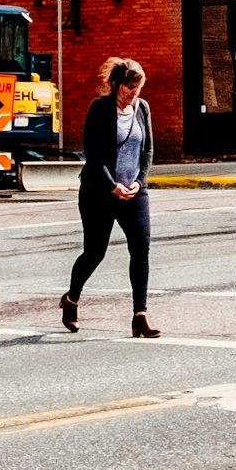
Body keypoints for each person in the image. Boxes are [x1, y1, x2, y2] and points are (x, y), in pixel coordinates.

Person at [65, 56, 159, 335]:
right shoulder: (100, 108)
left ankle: (139, 315)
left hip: (133, 192)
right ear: (117, 85)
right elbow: (92, 152)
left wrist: (139, 182)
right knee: (95, 253)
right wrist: (111, 185)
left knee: (141, 248)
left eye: (139, 88)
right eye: (131, 88)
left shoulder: (142, 108)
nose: (135, 93)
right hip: (99, 192)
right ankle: (71, 300)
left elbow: (148, 150)